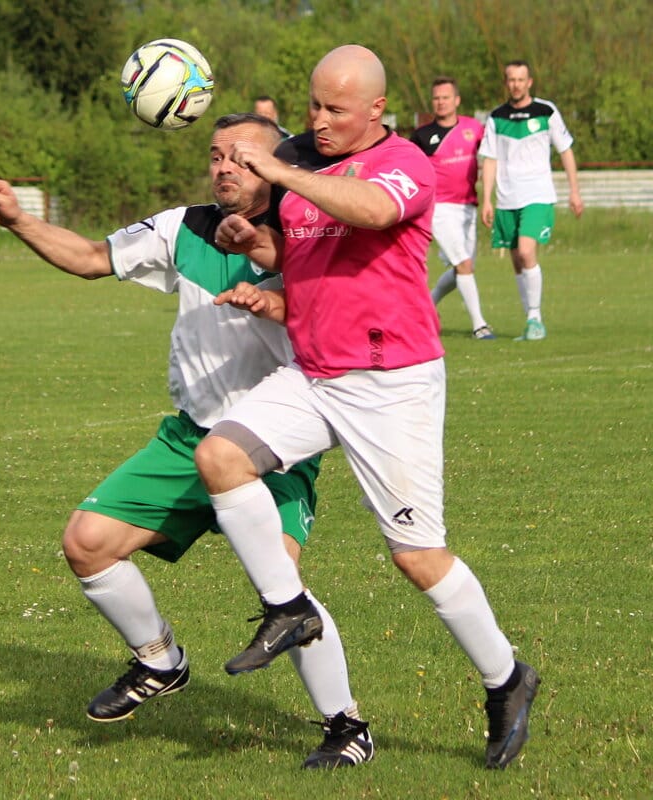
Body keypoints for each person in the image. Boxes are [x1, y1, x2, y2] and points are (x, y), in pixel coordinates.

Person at [0, 112, 373, 769]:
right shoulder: (181, 226)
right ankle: (160, 662)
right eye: (216, 155)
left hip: (274, 446)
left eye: (242, 158)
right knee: (88, 543)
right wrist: (18, 217)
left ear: (276, 166)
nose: (223, 167)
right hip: (191, 438)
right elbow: (90, 259)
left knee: (283, 586)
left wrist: (279, 301)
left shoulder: (308, 232)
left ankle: (345, 725)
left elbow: (353, 315)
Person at [195, 46, 539, 770]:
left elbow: (373, 210)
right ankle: (287, 607)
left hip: (392, 382)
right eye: (313, 105)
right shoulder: (305, 160)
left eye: (335, 110)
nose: (317, 121)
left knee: (417, 557)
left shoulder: (405, 163)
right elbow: (298, 254)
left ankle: (507, 677)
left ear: (376, 110)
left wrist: (286, 171)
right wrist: (252, 241)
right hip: (316, 371)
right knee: (219, 456)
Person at [479, 60, 584, 341]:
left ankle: (535, 317)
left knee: (527, 252)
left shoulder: (546, 111)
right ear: (506, 83)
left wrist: (574, 191)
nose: (516, 84)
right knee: (516, 260)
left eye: (521, 79)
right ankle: (530, 322)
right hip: (506, 198)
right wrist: (487, 199)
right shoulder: (496, 117)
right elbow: (490, 158)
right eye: (511, 79)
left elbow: (566, 150)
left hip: (537, 194)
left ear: (530, 82)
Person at [410, 77, 494, 339]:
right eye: (436, 98)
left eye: (445, 97)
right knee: (463, 264)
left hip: (468, 205)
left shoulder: (474, 128)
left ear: (456, 100)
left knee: (463, 268)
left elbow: (492, 155)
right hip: (439, 208)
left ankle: (428, 305)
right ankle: (480, 325)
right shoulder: (422, 135)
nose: (441, 102)